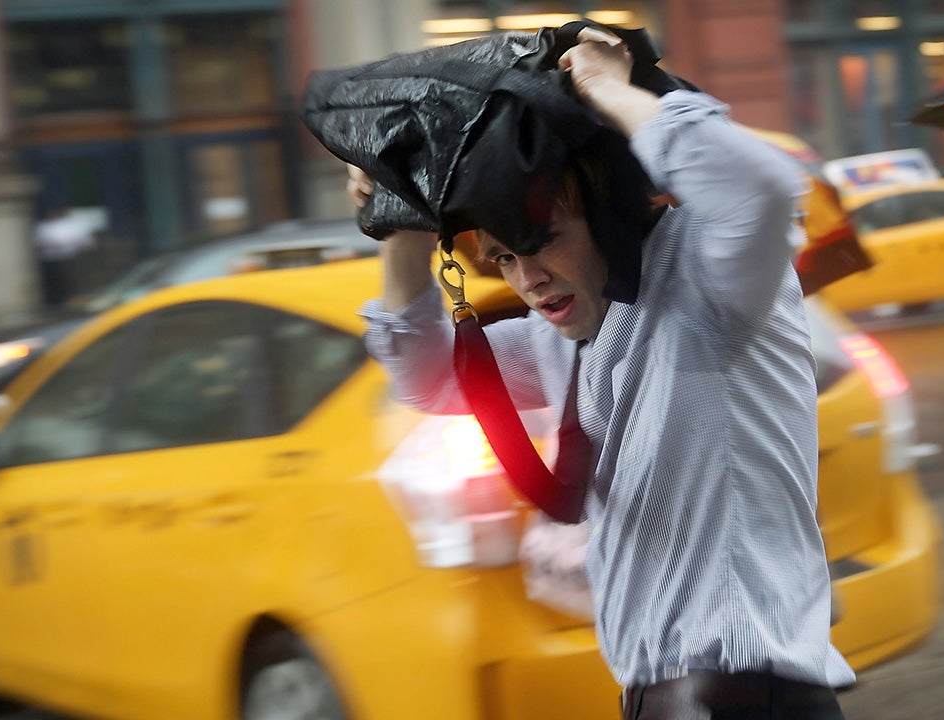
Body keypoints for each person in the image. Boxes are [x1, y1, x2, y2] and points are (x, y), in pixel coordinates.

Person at [351, 27, 855, 720]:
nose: (527, 278)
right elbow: (428, 379)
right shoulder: (564, 339)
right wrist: (401, 230)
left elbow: (759, 189)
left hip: (739, 697)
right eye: (501, 257)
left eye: (545, 237)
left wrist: (613, 93)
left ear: (609, 213)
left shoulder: (708, 279)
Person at [32, 204, 95, 307]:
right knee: (55, 284)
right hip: (51, 260)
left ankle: (73, 299)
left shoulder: (75, 225)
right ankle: (57, 302)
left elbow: (87, 242)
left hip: (71, 258)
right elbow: (37, 243)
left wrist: (70, 243)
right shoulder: (44, 226)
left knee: (71, 282)